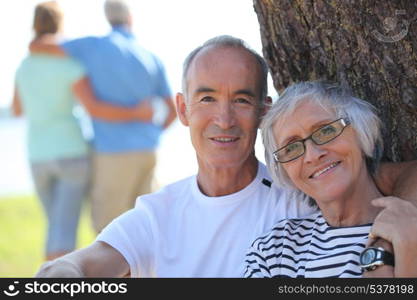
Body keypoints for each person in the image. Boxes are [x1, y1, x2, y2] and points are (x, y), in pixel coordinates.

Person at [35, 36, 417, 277]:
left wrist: (386, 244)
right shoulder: (158, 213)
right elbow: (86, 264)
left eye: (241, 99)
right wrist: (61, 272)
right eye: (207, 98)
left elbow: (392, 179)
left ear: (263, 112)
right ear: (183, 110)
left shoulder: (304, 186)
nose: (223, 118)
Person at [13, 1, 153, 261]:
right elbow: (95, 108)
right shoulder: (71, 66)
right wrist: (137, 113)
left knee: (56, 227)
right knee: (64, 232)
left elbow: (17, 110)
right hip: (71, 153)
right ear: (60, 24)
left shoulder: (24, 66)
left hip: (36, 155)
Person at [30, 0, 177, 233]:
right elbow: (173, 110)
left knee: (109, 233)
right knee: (149, 230)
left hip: (113, 155)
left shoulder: (92, 47)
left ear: (107, 18)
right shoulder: (149, 55)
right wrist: (152, 133)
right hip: (149, 152)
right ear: (131, 19)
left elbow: (38, 46)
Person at [244, 81, 417, 277]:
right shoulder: (275, 251)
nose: (312, 155)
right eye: (291, 148)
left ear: (362, 132)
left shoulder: (409, 224)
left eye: (326, 131)